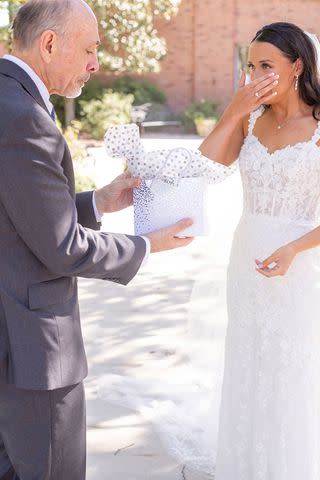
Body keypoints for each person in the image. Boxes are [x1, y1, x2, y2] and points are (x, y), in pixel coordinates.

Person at [100, 21, 320, 479]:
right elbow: (205, 165)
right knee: (248, 360)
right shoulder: (252, 118)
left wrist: (296, 248)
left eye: (267, 65)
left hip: (302, 263)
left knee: (294, 368)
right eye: (250, 65)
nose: (255, 74)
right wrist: (234, 112)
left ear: (298, 66)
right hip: (248, 261)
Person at [0, 0, 195, 479]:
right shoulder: (24, 117)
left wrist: (99, 202)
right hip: (33, 353)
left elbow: (18, 214)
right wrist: (147, 244)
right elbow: (63, 248)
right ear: (49, 44)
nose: (95, 63)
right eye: (89, 49)